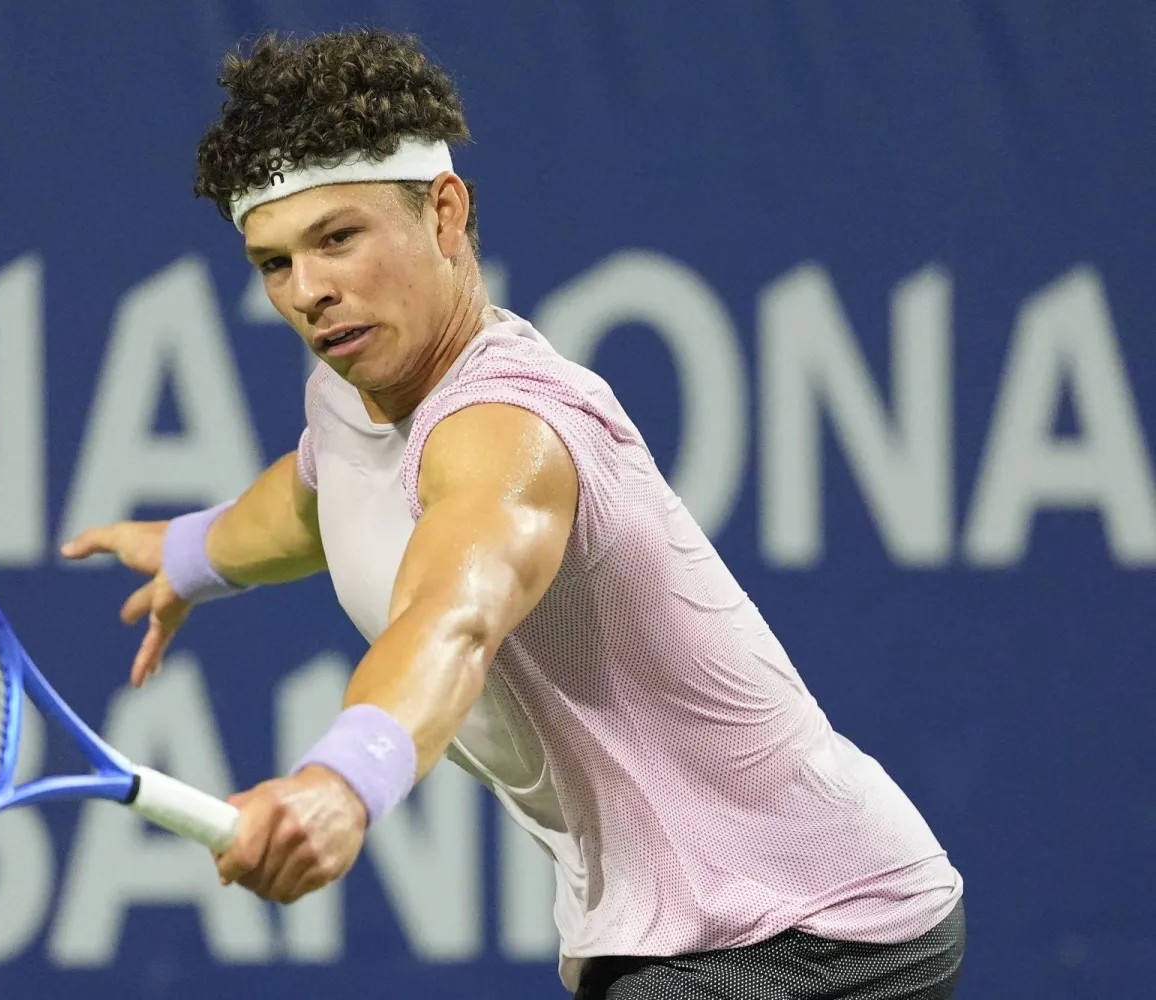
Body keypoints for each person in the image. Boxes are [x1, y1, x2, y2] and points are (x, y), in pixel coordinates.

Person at [61, 28, 965, 1000]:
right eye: (274, 262)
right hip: (675, 924)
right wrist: (195, 551)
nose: (310, 291)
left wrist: (341, 780)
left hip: (811, 923)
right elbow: (312, 497)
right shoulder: (355, 394)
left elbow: (455, 613)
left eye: (338, 238)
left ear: (444, 212)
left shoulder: (506, 429)